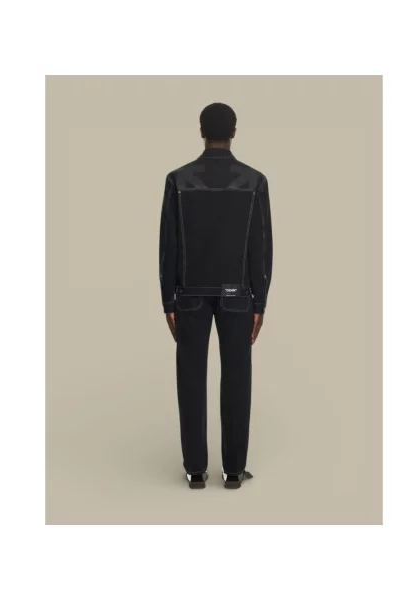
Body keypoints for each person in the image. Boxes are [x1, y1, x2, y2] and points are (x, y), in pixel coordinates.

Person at [158, 102, 273, 490]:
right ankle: (234, 471)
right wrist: (260, 302)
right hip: (238, 295)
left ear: (201, 131)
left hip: (189, 294)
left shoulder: (178, 180)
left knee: (190, 379)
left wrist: (168, 301)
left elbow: (168, 245)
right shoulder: (255, 181)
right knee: (237, 379)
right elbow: (261, 246)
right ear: (234, 132)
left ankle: (195, 471)